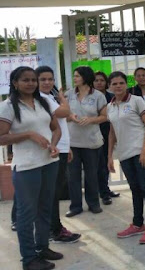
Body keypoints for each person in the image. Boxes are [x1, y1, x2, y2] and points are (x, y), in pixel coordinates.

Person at [0, 66, 63, 270]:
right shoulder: (8, 106)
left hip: (49, 162)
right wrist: (28, 135)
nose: (30, 83)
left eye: (33, 80)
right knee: (27, 214)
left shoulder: (43, 102)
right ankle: (29, 259)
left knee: (45, 208)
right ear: (15, 83)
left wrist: (54, 144)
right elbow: (2, 137)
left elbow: (56, 129)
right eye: (25, 80)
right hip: (27, 166)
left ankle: (42, 248)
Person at [107, 71, 145, 245]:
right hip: (124, 154)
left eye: (121, 83)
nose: (118, 86)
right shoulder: (110, 106)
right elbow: (112, 132)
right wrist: (109, 157)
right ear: (110, 87)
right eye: (114, 84)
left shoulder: (136, 101)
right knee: (135, 189)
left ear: (126, 84)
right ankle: (138, 224)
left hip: (140, 152)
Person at [36, 66, 82, 244]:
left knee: (54, 191)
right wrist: (63, 98)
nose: (47, 82)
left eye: (50, 79)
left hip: (60, 147)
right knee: (52, 192)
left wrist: (67, 147)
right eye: (43, 79)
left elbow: (61, 121)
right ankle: (55, 230)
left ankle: (53, 228)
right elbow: (64, 112)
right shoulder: (42, 98)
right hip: (53, 149)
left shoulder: (47, 97)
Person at [66, 66, 107, 217]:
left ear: (85, 77)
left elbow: (104, 116)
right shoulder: (68, 94)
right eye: (74, 76)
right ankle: (75, 206)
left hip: (91, 142)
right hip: (72, 142)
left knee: (91, 175)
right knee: (73, 176)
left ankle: (94, 203)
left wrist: (91, 120)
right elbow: (62, 115)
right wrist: (70, 117)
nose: (75, 78)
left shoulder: (97, 95)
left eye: (77, 76)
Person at [94, 71, 119, 205]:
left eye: (102, 80)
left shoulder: (111, 97)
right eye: (96, 80)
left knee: (106, 162)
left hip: (109, 132)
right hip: (94, 134)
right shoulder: (90, 98)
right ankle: (103, 193)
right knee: (99, 165)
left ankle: (105, 189)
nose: (99, 83)